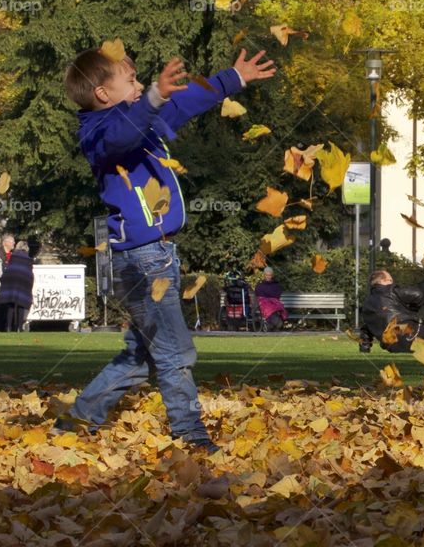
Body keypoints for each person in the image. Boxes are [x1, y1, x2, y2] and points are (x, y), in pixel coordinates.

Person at [52, 40, 275, 454]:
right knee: (176, 352)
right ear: (103, 93)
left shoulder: (143, 120)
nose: (139, 86)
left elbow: (182, 104)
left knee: (140, 356)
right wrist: (151, 96)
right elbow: (122, 135)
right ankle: (190, 435)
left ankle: (79, 419)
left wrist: (234, 78)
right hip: (142, 260)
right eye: (131, 80)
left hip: (157, 255)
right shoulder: (98, 133)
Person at [360, 269, 424, 353]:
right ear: (382, 281)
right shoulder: (391, 290)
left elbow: (366, 330)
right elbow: (417, 294)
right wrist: (413, 310)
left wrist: (364, 347)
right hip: (410, 334)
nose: (392, 282)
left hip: (392, 346)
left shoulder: (366, 304)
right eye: (390, 280)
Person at [0, 241, 35, 332]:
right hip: (23, 281)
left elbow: (9, 267)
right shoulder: (28, 259)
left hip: (11, 280)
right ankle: (19, 327)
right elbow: (29, 272)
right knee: (21, 304)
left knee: (11, 304)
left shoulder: (13, 256)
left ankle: (8, 327)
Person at [0, 233, 16, 331]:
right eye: (12, 241)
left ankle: (5, 326)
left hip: (9, 285)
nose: (14, 243)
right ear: (5, 243)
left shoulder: (13, 256)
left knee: (7, 307)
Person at [255, 267, 288, 331]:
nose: (268, 277)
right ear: (264, 275)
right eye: (267, 275)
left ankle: (271, 325)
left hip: (274, 304)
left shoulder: (276, 285)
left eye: (269, 275)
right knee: (268, 308)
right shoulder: (260, 285)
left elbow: (277, 295)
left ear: (272, 275)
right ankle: (272, 324)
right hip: (264, 304)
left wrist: (269, 297)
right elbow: (258, 294)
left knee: (277, 308)